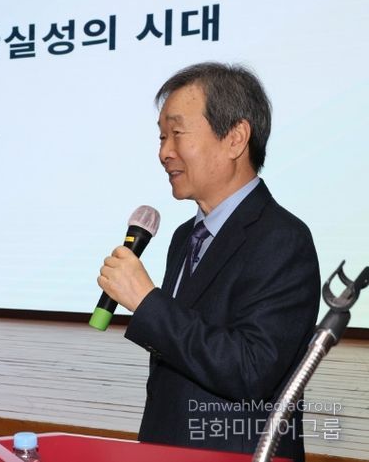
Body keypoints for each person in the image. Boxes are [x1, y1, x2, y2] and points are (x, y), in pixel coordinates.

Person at [97, 62, 320, 461]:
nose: (164, 152)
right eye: (161, 137)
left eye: (177, 134)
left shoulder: (284, 238)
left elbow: (252, 369)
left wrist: (147, 302)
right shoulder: (185, 236)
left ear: (235, 138)